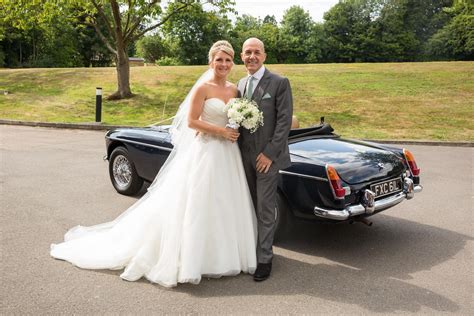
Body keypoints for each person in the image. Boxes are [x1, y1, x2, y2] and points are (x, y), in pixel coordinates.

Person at [50, 41, 257, 288]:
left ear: (233, 63)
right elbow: (191, 122)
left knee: (226, 201)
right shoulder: (203, 88)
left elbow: (236, 118)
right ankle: (194, 259)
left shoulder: (235, 90)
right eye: (219, 59)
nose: (224, 64)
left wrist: (234, 128)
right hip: (206, 152)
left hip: (228, 154)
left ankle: (227, 255)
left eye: (228, 60)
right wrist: (219, 131)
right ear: (210, 61)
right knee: (198, 203)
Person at [237, 38, 293, 282]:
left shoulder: (279, 82)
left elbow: (284, 122)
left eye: (256, 52)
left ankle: (264, 259)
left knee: (265, 208)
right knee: (248, 204)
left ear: (264, 56)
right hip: (242, 155)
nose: (252, 56)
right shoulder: (239, 84)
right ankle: (250, 251)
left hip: (267, 157)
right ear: (242, 56)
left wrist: (269, 154)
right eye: (248, 52)